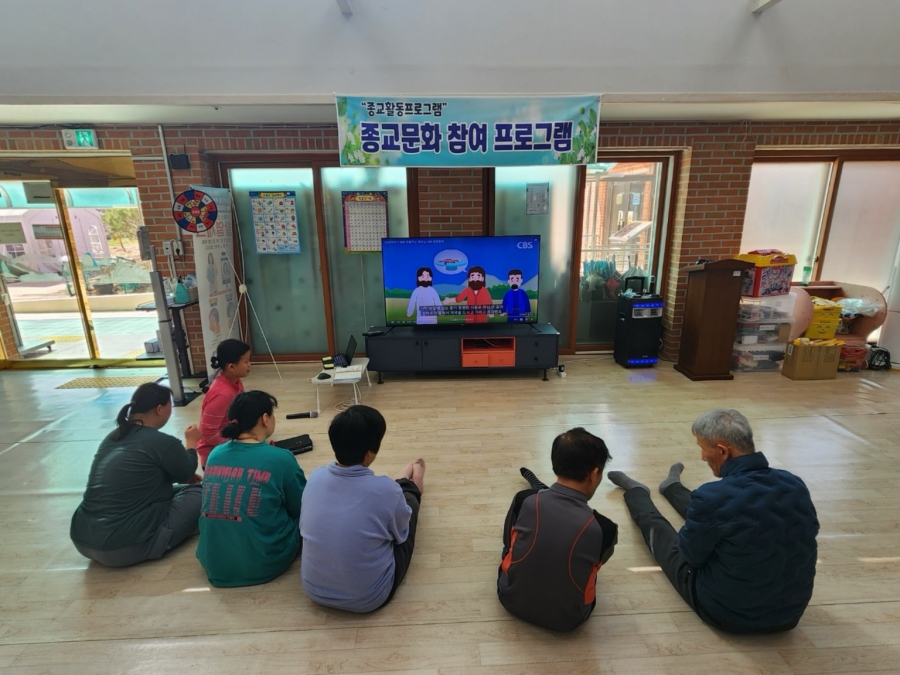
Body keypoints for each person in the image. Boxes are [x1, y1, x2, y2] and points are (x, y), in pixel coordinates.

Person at [608, 409, 819, 634]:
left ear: (722, 451)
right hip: (790, 614)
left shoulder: (712, 496)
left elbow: (690, 556)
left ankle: (637, 492)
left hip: (728, 614)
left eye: (702, 448)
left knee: (667, 538)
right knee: (718, 514)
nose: (702, 456)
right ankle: (672, 487)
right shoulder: (794, 483)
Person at [300, 405, 425, 612]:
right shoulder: (386, 491)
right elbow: (400, 535)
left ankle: (403, 478)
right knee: (408, 508)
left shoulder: (315, 477)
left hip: (315, 591)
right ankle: (412, 483)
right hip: (369, 598)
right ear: (369, 453)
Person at [498, 428, 618, 632]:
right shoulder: (605, 528)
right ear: (594, 473)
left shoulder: (523, 500)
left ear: (555, 464)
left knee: (516, 544)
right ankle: (541, 488)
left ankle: (541, 488)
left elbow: (508, 543)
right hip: (569, 619)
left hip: (510, 599)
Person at [70, 383, 202, 567]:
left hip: (82, 540)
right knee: (202, 492)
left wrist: (180, 477)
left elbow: (141, 475)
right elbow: (186, 471)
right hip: (124, 548)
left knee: (179, 489)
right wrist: (192, 442)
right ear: (159, 409)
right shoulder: (163, 442)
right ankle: (174, 532)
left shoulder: (113, 436)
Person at [196, 390, 306, 587]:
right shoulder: (281, 458)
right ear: (265, 419)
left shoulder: (215, 454)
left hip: (213, 562)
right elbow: (301, 507)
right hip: (264, 563)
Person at [197, 339, 251, 468]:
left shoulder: (235, 382)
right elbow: (207, 432)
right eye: (246, 361)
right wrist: (237, 444)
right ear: (231, 367)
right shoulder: (222, 394)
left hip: (229, 443)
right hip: (215, 457)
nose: (249, 364)